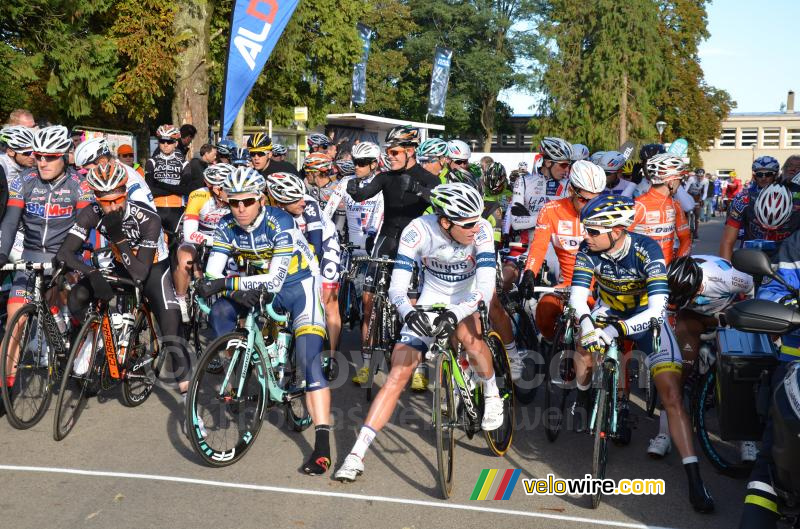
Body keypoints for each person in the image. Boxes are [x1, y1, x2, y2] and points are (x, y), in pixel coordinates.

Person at [334, 183, 500, 483]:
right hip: (430, 296)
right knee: (398, 373)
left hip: (467, 294)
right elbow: (397, 287)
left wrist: (458, 312)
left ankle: (492, 392)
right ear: (445, 222)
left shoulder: (482, 229)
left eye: (478, 221)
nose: (476, 228)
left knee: (469, 339)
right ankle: (356, 454)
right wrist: (409, 313)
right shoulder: (418, 231)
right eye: (467, 224)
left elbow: (486, 289)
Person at [569, 193, 714, 513]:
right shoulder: (588, 249)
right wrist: (587, 323)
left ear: (617, 231)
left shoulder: (647, 250)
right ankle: (582, 394)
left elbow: (658, 309)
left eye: (593, 231)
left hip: (647, 320)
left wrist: (616, 331)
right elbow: (578, 297)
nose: (586, 236)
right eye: (585, 229)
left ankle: (694, 478)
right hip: (610, 312)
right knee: (583, 341)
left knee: (672, 396)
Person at [195, 166, 331, 475]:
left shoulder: (279, 220)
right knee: (220, 312)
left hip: (299, 286)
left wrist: (226, 285)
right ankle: (240, 365)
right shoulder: (226, 225)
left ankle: (322, 447)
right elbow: (215, 271)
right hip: (258, 285)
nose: (240, 209)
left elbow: (274, 279)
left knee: (310, 363)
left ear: (261, 199)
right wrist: (209, 284)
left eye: (247, 202)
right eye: (233, 202)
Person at [55, 161, 189, 395]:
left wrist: (117, 236)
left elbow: (140, 274)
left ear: (125, 193)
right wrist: (91, 273)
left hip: (154, 266)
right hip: (119, 263)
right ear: (96, 198)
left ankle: (188, 390)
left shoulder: (148, 219)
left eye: (117, 199)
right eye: (106, 202)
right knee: (77, 298)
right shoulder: (93, 212)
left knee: (170, 325)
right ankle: (93, 339)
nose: (112, 207)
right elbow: (65, 253)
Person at [0, 126, 93, 401]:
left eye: (50, 157)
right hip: (30, 256)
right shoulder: (23, 180)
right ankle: (5, 388)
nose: (42, 162)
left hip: (66, 254)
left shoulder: (80, 185)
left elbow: (84, 228)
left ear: (64, 156)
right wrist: (2, 255)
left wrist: (66, 258)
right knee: (14, 319)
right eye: (38, 156)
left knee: (69, 301)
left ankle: (79, 345)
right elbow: (10, 221)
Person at [344, 125, 440, 390]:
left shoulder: (426, 177)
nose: (391, 156)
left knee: (413, 305)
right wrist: (354, 188)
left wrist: (419, 190)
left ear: (410, 151)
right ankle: (365, 365)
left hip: (415, 243)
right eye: (388, 151)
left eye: (395, 151)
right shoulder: (385, 177)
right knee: (368, 302)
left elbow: (441, 203)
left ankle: (419, 368)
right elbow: (364, 194)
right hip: (386, 240)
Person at [666, 255, 756, 462]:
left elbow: (751, 292)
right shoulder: (672, 281)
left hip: (726, 311)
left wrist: (744, 319)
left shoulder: (727, 277)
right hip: (691, 317)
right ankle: (664, 432)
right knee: (678, 369)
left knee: (738, 373)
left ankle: (746, 440)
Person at [519, 160, 606, 341]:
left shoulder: (608, 212)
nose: (590, 205)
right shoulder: (551, 210)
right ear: (571, 190)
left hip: (599, 288)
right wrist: (529, 272)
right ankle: (554, 349)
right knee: (544, 311)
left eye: (595, 199)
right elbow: (539, 246)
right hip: (567, 285)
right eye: (583, 200)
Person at [320, 142, 385, 384]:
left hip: (373, 250)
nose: (356, 167)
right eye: (355, 162)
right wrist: (324, 238)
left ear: (374, 164)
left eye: (361, 163)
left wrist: (374, 240)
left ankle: (367, 363)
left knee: (369, 307)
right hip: (351, 251)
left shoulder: (381, 186)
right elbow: (326, 214)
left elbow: (381, 217)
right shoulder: (345, 183)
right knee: (333, 298)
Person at [267, 171, 343, 355]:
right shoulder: (268, 208)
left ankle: (331, 357)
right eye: (295, 200)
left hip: (324, 245)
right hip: (294, 247)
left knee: (327, 300)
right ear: (280, 202)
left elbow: (315, 247)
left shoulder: (308, 204)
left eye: (302, 197)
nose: (302, 201)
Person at [505, 137, 572, 289]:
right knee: (505, 278)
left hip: (559, 251)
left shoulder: (569, 185)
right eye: (563, 165)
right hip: (531, 248)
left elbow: (569, 221)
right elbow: (516, 222)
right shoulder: (524, 181)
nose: (566, 170)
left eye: (568, 165)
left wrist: (531, 218)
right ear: (548, 162)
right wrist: (550, 217)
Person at [173, 164, 233, 321]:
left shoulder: (234, 197)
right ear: (213, 188)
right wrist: (217, 242)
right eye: (226, 187)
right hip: (195, 234)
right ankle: (180, 300)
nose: (231, 190)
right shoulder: (199, 196)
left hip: (220, 238)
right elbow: (190, 234)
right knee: (186, 261)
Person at [629, 153, 692, 266]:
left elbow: (686, 238)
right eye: (680, 179)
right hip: (640, 274)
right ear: (671, 182)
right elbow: (620, 242)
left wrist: (677, 266)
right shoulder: (638, 205)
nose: (681, 183)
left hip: (667, 271)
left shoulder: (675, 205)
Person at [719, 157, 780, 260]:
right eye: (760, 174)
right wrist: (726, 270)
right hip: (751, 254)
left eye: (768, 174)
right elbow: (727, 241)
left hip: (781, 256)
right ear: (754, 176)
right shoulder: (743, 198)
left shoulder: (789, 196)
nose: (763, 178)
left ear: (776, 175)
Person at [74, 137, 155, 210]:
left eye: (88, 170)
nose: (89, 174)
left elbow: (146, 212)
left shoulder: (128, 178)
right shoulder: (117, 171)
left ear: (102, 161)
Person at [145, 124, 189, 240]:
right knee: (155, 245)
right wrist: (175, 188)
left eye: (169, 142)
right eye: (162, 141)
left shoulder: (184, 164)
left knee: (175, 245)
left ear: (176, 143)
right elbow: (150, 190)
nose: (165, 144)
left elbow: (185, 189)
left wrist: (160, 185)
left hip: (177, 210)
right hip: (155, 208)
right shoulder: (151, 162)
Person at [0, 126, 36, 219]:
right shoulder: (2, 164)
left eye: (34, 152)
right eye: (27, 153)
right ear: (11, 152)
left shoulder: (27, 163)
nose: (32, 156)